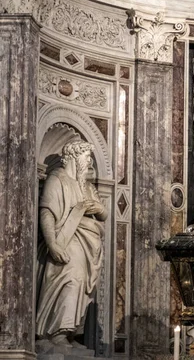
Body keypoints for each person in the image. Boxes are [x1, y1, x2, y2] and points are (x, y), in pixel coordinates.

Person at [36, 140, 107, 347]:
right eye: (86, 156)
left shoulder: (86, 186)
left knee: (85, 287)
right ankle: (55, 331)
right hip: (67, 239)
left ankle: (72, 332)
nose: (89, 161)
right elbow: (47, 211)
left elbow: (104, 213)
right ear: (75, 156)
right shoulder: (57, 179)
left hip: (89, 244)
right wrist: (52, 244)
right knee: (72, 279)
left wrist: (97, 208)